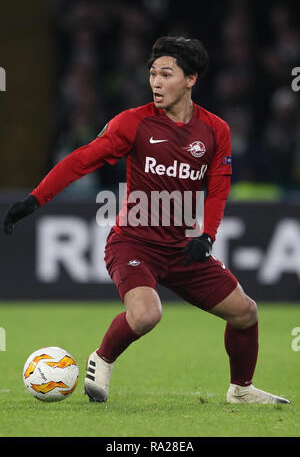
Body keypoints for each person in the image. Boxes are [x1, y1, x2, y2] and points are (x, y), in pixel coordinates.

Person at [3, 36, 289, 405]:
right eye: (152, 73)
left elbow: (217, 189)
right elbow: (82, 160)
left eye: (166, 74)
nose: (155, 82)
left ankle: (241, 389)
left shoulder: (216, 130)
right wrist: (35, 198)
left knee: (246, 312)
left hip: (184, 248)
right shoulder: (133, 123)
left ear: (190, 80)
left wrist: (207, 235)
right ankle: (101, 360)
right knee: (146, 315)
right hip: (133, 243)